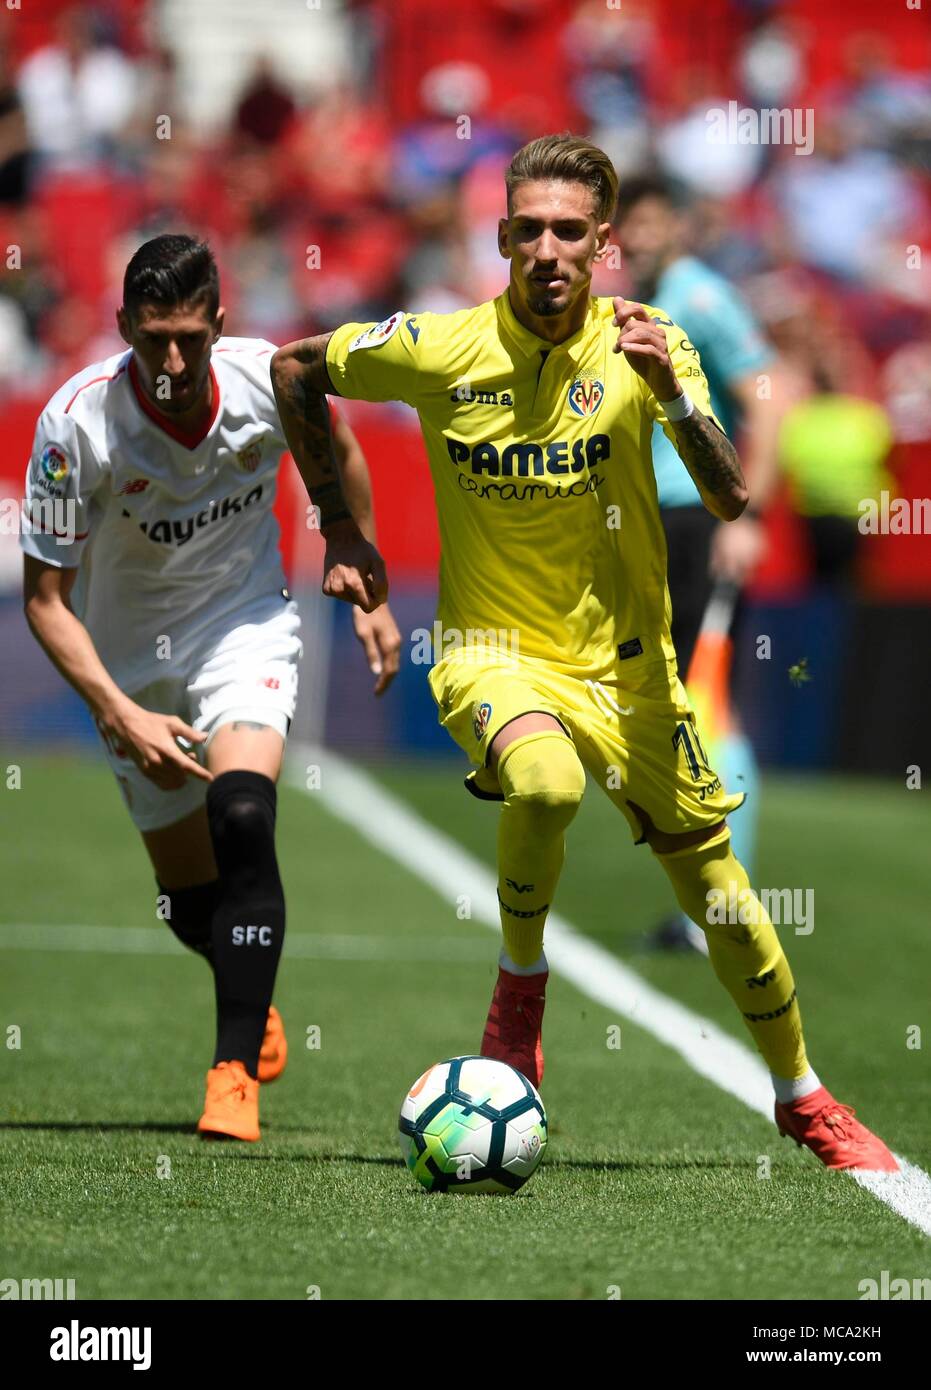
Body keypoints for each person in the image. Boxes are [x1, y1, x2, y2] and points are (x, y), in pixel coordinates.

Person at [271, 135, 897, 1172]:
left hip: (629, 671)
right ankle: (520, 991)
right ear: (503, 237)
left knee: (725, 902)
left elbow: (735, 493)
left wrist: (679, 399)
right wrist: (339, 526)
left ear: (602, 244)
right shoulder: (439, 346)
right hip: (491, 653)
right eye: (530, 231)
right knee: (547, 784)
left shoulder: (647, 341)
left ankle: (803, 1096)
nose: (549, 249)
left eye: (571, 231)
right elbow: (298, 369)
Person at [21, 234, 399, 1143]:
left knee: (242, 818)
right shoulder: (76, 425)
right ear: (124, 330)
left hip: (243, 627)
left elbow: (338, 448)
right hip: (127, 664)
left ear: (219, 322)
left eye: (190, 336)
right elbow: (44, 601)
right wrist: (117, 710)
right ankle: (245, 988)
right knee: (189, 903)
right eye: (154, 340)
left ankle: (230, 1075)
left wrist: (359, 558)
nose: (175, 362)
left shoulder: (272, 380)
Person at [614, 174, 784, 954]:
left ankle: (721, 907)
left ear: (678, 226)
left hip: (698, 519)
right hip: (660, 522)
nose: (638, 237)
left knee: (709, 701)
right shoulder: (640, 302)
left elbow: (773, 396)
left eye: (650, 223)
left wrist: (748, 515)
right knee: (680, 701)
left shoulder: (700, 296)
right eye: (629, 225)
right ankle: (706, 903)